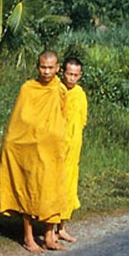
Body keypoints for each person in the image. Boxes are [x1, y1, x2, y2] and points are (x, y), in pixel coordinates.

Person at [0, 50, 68, 253]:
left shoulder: (59, 89)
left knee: (51, 190)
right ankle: (28, 237)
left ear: (57, 68)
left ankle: (49, 236)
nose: (46, 72)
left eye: (50, 68)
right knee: (28, 189)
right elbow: (20, 120)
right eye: (42, 67)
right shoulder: (28, 89)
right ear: (37, 66)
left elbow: (63, 118)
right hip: (27, 149)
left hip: (51, 151)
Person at [56, 57, 88, 242]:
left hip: (73, 148)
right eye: (69, 74)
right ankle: (49, 228)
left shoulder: (80, 94)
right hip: (57, 146)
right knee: (55, 186)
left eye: (76, 75)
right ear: (62, 72)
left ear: (80, 75)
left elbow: (82, 119)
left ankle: (62, 227)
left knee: (69, 185)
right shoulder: (56, 91)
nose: (72, 78)